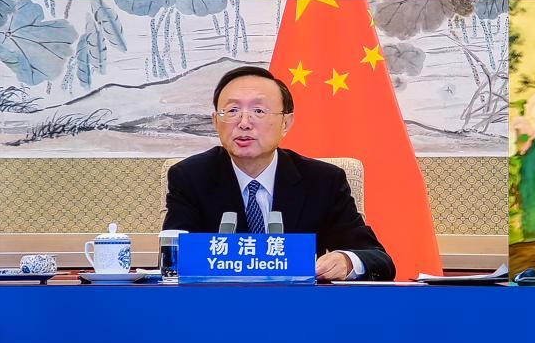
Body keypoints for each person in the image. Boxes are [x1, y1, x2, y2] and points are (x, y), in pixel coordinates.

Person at [163, 66, 396, 281]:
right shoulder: (190, 177)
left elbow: (377, 258)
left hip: (299, 307)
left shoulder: (323, 181)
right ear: (216, 121)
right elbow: (175, 259)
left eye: (259, 111)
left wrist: (346, 261)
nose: (244, 123)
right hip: (219, 306)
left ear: (286, 122)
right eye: (232, 111)